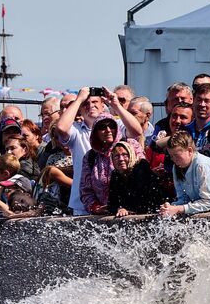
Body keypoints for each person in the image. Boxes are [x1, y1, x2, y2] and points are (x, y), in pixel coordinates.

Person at [54, 85, 145, 215]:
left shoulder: (114, 125)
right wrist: (78, 100)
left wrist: (116, 105)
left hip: (121, 203)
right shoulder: (76, 129)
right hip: (84, 203)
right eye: (86, 103)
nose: (90, 105)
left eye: (95, 102)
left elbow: (137, 131)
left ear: (103, 105)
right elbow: (61, 128)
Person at [161, 131, 210, 216]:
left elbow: (208, 202)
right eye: (171, 156)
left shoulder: (202, 165)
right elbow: (184, 198)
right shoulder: (176, 167)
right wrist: (170, 207)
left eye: (177, 155)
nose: (174, 159)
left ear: (190, 151)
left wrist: (178, 209)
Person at [106, 140, 162, 216]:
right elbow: (112, 202)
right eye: (116, 156)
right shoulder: (115, 174)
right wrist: (119, 208)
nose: (121, 159)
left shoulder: (141, 168)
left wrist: (128, 210)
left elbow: (144, 199)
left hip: (154, 211)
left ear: (131, 154)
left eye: (125, 155)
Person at [79, 117, 119, 215]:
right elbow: (85, 190)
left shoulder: (130, 146)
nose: (108, 130)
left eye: (112, 126)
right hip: (104, 216)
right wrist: (96, 207)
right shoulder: (90, 156)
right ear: (95, 133)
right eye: (102, 127)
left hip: (132, 212)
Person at [187, 83, 210, 149]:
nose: (202, 104)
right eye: (199, 100)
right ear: (193, 101)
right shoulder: (185, 130)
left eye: (207, 101)